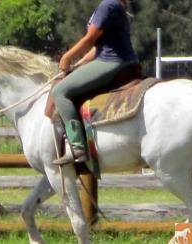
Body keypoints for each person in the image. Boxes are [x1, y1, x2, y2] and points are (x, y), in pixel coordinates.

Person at [51, 0, 138, 165]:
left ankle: (77, 146)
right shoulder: (113, 5)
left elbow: (90, 39)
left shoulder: (108, 5)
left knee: (60, 92)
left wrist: (66, 58)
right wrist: (78, 64)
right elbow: (98, 48)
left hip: (112, 62)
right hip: (117, 59)